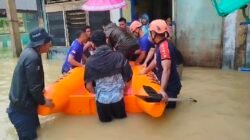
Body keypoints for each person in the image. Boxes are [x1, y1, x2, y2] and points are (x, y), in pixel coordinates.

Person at [7, 28, 55, 140]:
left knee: (37, 133)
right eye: (48, 41)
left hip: (24, 108)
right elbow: (34, 88)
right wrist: (44, 101)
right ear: (41, 44)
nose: (50, 44)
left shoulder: (29, 52)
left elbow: (30, 82)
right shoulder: (32, 58)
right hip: (23, 112)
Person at [84, 30, 133, 122]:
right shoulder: (119, 56)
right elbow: (129, 77)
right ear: (106, 41)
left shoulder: (90, 61)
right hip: (118, 99)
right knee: (121, 125)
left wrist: (98, 93)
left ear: (93, 44)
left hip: (102, 103)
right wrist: (123, 90)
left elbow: (88, 86)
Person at [144, 19, 182, 108]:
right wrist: (145, 70)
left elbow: (166, 70)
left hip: (170, 87)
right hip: (166, 84)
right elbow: (155, 61)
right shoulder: (159, 44)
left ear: (154, 33)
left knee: (168, 111)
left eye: (150, 32)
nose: (149, 35)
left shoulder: (164, 47)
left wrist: (162, 90)